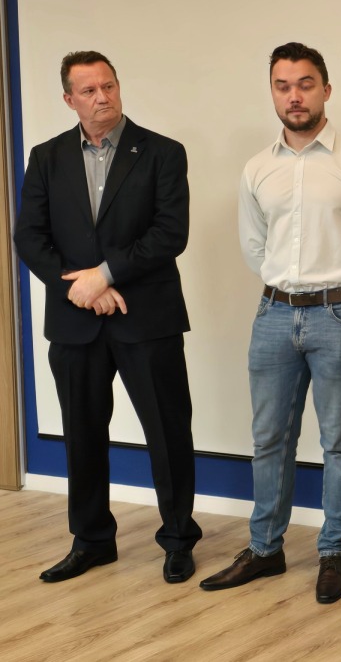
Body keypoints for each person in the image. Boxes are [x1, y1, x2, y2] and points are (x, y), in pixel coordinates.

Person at [199, 42, 341, 605]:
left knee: (339, 441)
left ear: (326, 90)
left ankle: (333, 551)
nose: (295, 95)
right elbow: (254, 245)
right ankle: (265, 548)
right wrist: (287, 291)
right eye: (283, 85)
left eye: (306, 83)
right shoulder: (257, 168)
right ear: (272, 92)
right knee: (268, 440)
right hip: (272, 314)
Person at [14, 50, 202, 584]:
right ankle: (92, 539)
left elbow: (170, 233)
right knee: (82, 432)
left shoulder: (163, 153)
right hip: (77, 320)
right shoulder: (46, 157)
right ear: (69, 99)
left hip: (148, 319)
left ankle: (178, 539)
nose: (103, 98)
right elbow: (29, 236)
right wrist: (84, 288)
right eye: (90, 91)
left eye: (109, 86)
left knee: (168, 431)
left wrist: (108, 274)